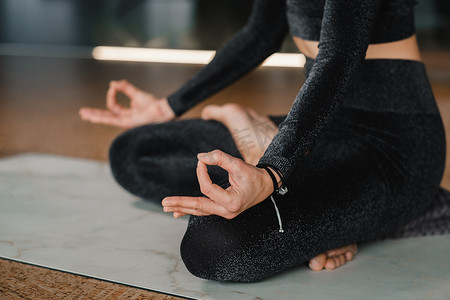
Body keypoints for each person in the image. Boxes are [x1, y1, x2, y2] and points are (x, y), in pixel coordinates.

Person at [80, 0, 447, 282]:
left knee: (214, 245)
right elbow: (261, 34)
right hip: (312, 129)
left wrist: (272, 171)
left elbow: (337, 56)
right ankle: (289, 168)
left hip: (392, 148)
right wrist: (167, 106)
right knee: (133, 154)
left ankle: (383, 207)